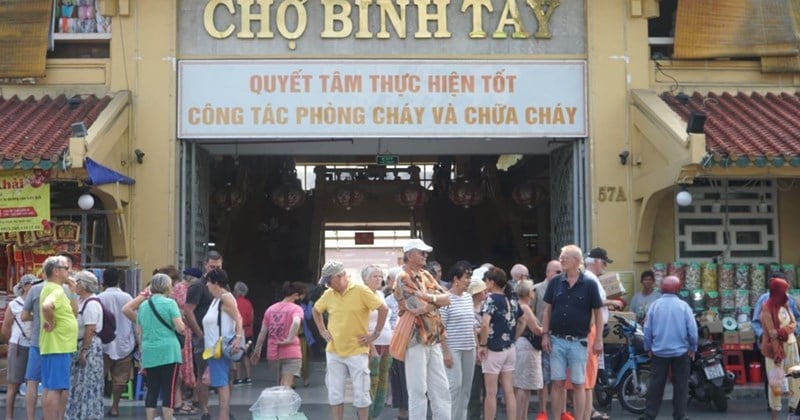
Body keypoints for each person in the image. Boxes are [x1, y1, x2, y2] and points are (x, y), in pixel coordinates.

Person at [312, 260, 388, 420]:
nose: (327, 285)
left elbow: (383, 309)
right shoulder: (328, 294)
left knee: (362, 394)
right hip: (334, 351)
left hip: (357, 351)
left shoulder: (361, 291)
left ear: (340, 276)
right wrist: (322, 330)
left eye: (328, 281)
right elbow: (316, 310)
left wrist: (375, 334)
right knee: (335, 393)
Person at [541, 245, 603, 420]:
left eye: (565, 257)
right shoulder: (555, 282)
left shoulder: (589, 284)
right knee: (558, 383)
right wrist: (545, 334)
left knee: (578, 384)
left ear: (577, 261)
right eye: (561, 256)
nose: (561, 260)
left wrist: (598, 339)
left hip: (579, 341)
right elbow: (547, 310)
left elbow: (598, 313)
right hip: (557, 340)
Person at [394, 239, 452, 420]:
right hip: (416, 339)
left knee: (441, 388)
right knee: (418, 390)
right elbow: (416, 307)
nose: (425, 255)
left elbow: (447, 298)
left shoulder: (426, 274)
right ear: (409, 255)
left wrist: (428, 298)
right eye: (421, 252)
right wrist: (435, 300)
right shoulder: (402, 277)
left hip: (432, 337)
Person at [125, 273, 185, 420]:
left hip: (149, 352)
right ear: (166, 287)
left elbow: (139, 331)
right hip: (169, 352)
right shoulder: (170, 303)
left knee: (152, 389)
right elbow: (180, 328)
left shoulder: (144, 306)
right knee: (168, 390)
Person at [641, 275, 697, 420]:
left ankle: (649, 415)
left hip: (659, 352)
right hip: (681, 352)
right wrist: (693, 347)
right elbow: (692, 330)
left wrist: (648, 347)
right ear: (678, 289)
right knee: (681, 385)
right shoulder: (684, 306)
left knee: (656, 385)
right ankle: (680, 415)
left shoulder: (655, 305)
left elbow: (647, 330)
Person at [478, 267, 528, 420]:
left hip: (493, 348)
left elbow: (485, 324)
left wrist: (483, 344)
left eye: (486, 281)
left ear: (491, 282)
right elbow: (523, 320)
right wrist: (514, 338)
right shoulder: (511, 298)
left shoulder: (491, 299)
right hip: (509, 347)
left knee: (491, 392)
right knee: (508, 391)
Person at [582, 247, 623, 420]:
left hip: (596, 330)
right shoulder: (590, 278)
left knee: (590, 372)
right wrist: (613, 301)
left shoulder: (591, 278)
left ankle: (588, 409)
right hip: (593, 331)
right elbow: (596, 303)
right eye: (604, 262)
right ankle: (588, 411)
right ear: (596, 262)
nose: (605, 266)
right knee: (589, 373)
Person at [39, 255, 79, 420]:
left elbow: (74, 312)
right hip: (59, 345)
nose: (69, 271)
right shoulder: (55, 289)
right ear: (56, 271)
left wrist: (72, 293)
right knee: (55, 389)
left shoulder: (54, 288)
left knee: (51, 388)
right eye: (66, 268)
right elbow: (47, 306)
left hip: (56, 345)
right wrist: (51, 321)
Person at [752, 271, 800, 409]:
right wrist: (763, 335)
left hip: (788, 343)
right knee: (772, 375)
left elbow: (798, 318)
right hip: (769, 345)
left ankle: (793, 403)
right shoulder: (763, 300)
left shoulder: (790, 300)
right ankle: (772, 404)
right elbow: (755, 322)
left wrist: (792, 330)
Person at [202, 269, 244, 420]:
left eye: (208, 282)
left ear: (216, 283)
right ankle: (223, 415)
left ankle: (223, 416)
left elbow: (238, 318)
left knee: (221, 384)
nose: (206, 285)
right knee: (220, 383)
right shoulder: (217, 300)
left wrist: (238, 338)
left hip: (219, 349)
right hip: (213, 350)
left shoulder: (225, 298)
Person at [251, 281, 308, 387]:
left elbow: (262, 333)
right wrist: (290, 338)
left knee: (279, 383)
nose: (299, 299)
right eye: (299, 296)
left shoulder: (270, 309)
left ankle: (279, 401)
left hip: (274, 352)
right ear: (295, 295)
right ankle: (284, 402)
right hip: (291, 351)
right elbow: (296, 322)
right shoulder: (296, 309)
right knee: (286, 385)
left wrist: (257, 350)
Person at [185, 251, 220, 420]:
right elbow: (188, 311)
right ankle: (204, 409)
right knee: (203, 373)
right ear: (205, 265)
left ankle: (223, 409)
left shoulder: (222, 284)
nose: (215, 270)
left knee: (224, 372)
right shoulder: (198, 286)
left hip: (219, 337)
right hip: (204, 337)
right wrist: (199, 333)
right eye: (212, 266)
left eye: (218, 267)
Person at [65, 271, 105, 420]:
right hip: (80, 344)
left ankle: (88, 415)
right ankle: (77, 413)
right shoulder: (81, 301)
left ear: (83, 285)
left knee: (88, 382)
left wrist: (84, 351)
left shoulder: (92, 303)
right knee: (79, 383)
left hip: (88, 346)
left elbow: (90, 328)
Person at [98, 267, 136, 417]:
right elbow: (135, 320)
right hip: (125, 342)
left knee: (98, 377)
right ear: (119, 280)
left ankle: (97, 405)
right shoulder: (128, 297)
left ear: (103, 281)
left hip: (103, 344)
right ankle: (115, 407)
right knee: (120, 379)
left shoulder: (99, 298)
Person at [440, 261, 476, 420]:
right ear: (455, 279)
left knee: (466, 388)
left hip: (470, 347)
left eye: (469, 277)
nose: (468, 281)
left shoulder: (469, 298)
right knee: (455, 387)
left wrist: (478, 345)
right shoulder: (445, 299)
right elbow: (441, 328)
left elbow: (472, 323)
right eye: (466, 278)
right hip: (453, 348)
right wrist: (445, 353)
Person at [2, 275, 36, 420]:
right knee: (13, 384)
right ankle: (9, 416)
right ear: (26, 286)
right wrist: (10, 343)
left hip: (33, 345)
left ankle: (30, 417)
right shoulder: (14, 304)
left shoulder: (37, 303)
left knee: (31, 383)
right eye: (34, 284)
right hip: (18, 344)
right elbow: (5, 328)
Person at [362, 265, 394, 419]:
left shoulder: (381, 295)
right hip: (372, 344)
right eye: (375, 276)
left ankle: (376, 414)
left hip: (387, 342)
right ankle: (367, 415)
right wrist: (371, 347)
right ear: (366, 279)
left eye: (380, 276)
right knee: (371, 379)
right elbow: (363, 324)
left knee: (383, 379)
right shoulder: (363, 295)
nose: (378, 279)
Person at [532, 260, 562, 420]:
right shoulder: (537, 289)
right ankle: (542, 411)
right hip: (542, 338)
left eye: (561, 271)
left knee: (560, 378)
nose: (560, 274)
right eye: (556, 271)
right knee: (543, 378)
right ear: (547, 272)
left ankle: (561, 412)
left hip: (559, 337)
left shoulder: (565, 288)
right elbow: (531, 312)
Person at [513, 279, 544, 420]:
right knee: (523, 385)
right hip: (526, 347)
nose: (534, 293)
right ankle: (520, 417)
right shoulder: (525, 308)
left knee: (522, 385)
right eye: (532, 290)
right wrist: (549, 329)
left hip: (521, 346)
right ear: (527, 293)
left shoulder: (517, 305)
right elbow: (536, 330)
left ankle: (522, 417)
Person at [467, 268, 490, 420]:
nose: (486, 293)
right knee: (474, 389)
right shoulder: (468, 308)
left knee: (489, 389)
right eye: (483, 290)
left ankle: (489, 415)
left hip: (488, 351)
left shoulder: (487, 307)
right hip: (474, 352)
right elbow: (472, 329)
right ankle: (474, 416)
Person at [233, 281, 254, 385]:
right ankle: (248, 377)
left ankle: (238, 378)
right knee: (246, 354)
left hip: (238, 331)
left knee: (237, 354)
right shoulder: (248, 303)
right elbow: (251, 318)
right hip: (248, 331)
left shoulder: (234, 303)